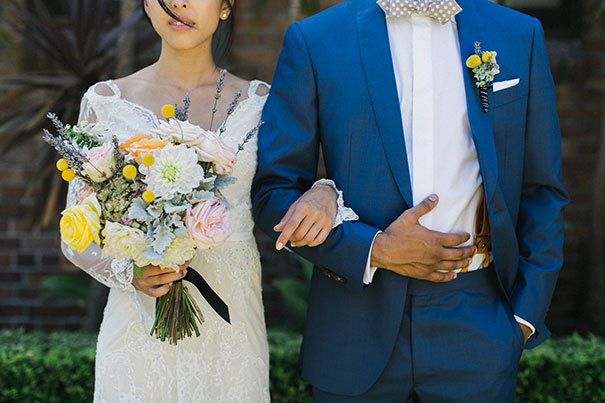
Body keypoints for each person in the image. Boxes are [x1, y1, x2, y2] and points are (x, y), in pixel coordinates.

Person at [252, 0, 569, 401]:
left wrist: (523, 318)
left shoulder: (518, 34)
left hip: (478, 319)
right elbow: (274, 192)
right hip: (354, 322)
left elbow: (542, 190)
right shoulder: (316, 39)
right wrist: (374, 249)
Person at [61, 0, 350, 401]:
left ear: (226, 6)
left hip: (232, 325)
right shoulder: (105, 102)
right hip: (137, 329)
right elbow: (74, 234)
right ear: (147, 5)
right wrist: (130, 272)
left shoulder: (261, 103)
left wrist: (324, 190)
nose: (180, 4)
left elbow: (288, 191)